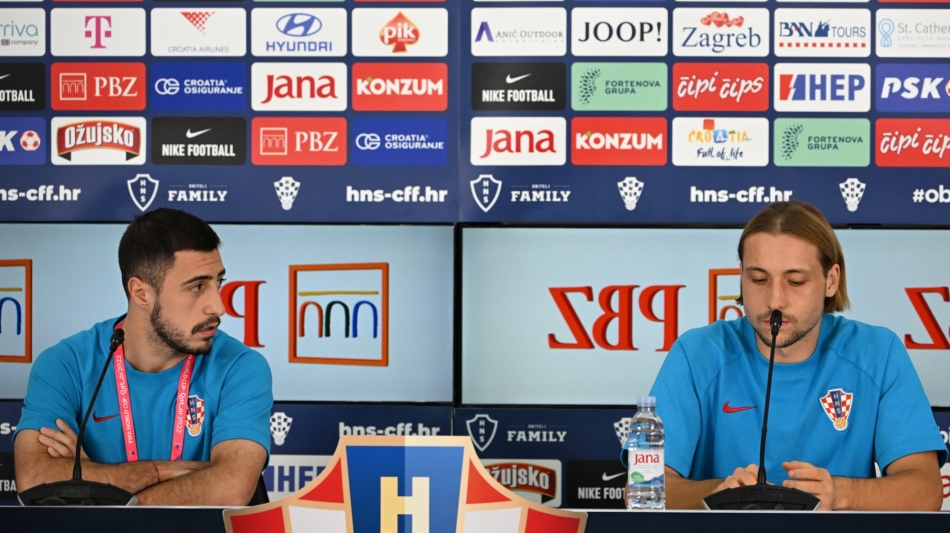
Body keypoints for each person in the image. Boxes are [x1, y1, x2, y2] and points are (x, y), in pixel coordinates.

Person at [651, 200, 946, 510]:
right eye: (758, 279)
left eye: (795, 281)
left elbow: (926, 490)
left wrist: (841, 493)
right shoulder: (695, 354)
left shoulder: (878, 353)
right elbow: (643, 488)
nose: (775, 300)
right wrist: (719, 494)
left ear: (831, 280)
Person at [14, 208, 273, 506]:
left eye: (219, 282)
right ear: (140, 293)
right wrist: (171, 471)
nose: (218, 306)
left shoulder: (241, 367)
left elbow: (231, 489)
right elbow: (35, 479)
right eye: (197, 286)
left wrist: (89, 479)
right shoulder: (64, 364)